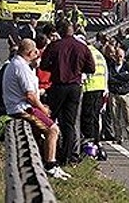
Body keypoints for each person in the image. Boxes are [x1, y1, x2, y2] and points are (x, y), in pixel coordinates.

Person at [3, 39, 71, 180]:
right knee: (52, 129)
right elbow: (30, 95)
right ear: (30, 52)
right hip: (22, 109)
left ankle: (44, 161)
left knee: (40, 133)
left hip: (18, 106)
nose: (37, 55)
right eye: (36, 53)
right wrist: (42, 109)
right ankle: (51, 165)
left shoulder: (17, 64)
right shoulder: (21, 67)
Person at [40, 20, 96, 166]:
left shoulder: (54, 46)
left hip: (58, 86)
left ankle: (48, 152)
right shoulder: (82, 47)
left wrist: (56, 68)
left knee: (50, 119)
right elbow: (91, 68)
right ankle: (66, 157)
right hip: (74, 87)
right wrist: (76, 69)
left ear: (60, 31)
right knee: (69, 124)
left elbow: (44, 65)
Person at [80, 41, 109, 146]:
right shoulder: (98, 53)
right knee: (96, 118)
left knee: (87, 118)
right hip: (100, 88)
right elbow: (106, 72)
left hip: (89, 88)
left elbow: (84, 73)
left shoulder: (85, 53)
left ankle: (89, 144)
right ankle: (96, 142)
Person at [108, 47, 129, 145]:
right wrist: (121, 78)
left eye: (121, 56)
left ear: (124, 56)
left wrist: (117, 77)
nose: (119, 58)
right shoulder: (111, 66)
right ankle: (118, 137)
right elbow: (110, 78)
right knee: (115, 117)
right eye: (117, 56)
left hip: (125, 94)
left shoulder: (127, 66)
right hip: (114, 94)